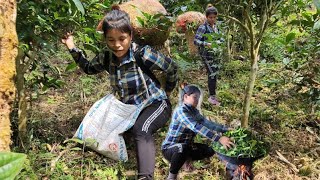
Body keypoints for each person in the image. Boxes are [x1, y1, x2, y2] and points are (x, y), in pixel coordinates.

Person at [61, 5, 178, 180]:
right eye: (111, 40)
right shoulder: (106, 57)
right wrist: (71, 46)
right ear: (105, 40)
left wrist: (168, 90)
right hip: (129, 110)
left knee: (142, 129)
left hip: (155, 104)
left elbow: (171, 68)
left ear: (130, 35)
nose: (117, 45)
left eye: (122, 39)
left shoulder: (143, 54)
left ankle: (145, 177)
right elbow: (88, 68)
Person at [161, 83, 234, 180]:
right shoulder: (181, 111)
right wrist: (218, 138)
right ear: (186, 97)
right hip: (170, 149)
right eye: (195, 97)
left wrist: (224, 128)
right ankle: (171, 177)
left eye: (198, 98)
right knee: (182, 147)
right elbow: (196, 127)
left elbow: (206, 123)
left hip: (186, 147)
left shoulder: (194, 112)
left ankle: (185, 160)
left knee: (209, 150)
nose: (197, 100)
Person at [194, 5, 222, 106]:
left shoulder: (216, 26)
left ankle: (213, 95)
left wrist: (219, 41)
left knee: (214, 74)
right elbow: (196, 41)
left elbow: (220, 38)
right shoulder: (203, 27)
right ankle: (211, 97)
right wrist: (206, 44)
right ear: (206, 17)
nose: (212, 19)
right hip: (206, 54)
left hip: (214, 54)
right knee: (212, 74)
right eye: (210, 17)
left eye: (214, 17)